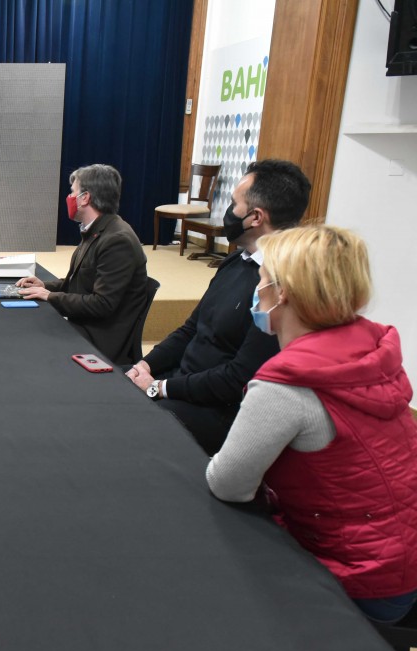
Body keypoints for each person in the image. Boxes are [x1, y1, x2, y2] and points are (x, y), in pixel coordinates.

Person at [206, 225, 417, 624]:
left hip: (362, 581)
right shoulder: (374, 350)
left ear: (282, 292)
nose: (256, 289)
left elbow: (228, 483)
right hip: (401, 558)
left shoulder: (286, 385)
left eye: (261, 279)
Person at [126, 159, 312, 454]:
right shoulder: (236, 261)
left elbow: (237, 379)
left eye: (234, 204)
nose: (228, 211)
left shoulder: (280, 289)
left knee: (123, 428)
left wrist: (158, 387)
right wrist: (146, 365)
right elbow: (191, 329)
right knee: (106, 386)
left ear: (255, 217)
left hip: (217, 410)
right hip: (181, 383)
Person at [16, 164, 150, 365]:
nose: (69, 197)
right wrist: (45, 286)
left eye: (73, 192)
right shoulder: (97, 230)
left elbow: (102, 304)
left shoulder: (117, 240)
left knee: (27, 337)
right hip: (85, 324)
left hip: (100, 337)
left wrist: (50, 296)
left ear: (85, 198)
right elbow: (80, 282)